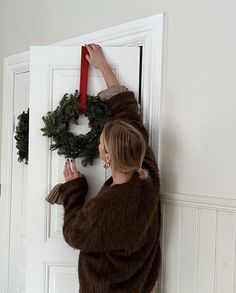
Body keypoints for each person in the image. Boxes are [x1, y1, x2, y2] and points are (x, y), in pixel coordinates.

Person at [47, 44, 161, 292]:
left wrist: (74, 189)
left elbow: (74, 234)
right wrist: (104, 67)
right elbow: (127, 113)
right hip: (139, 283)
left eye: (100, 142)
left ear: (107, 157)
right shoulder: (148, 174)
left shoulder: (108, 208)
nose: (98, 144)